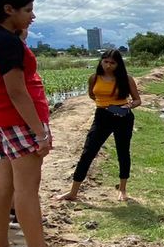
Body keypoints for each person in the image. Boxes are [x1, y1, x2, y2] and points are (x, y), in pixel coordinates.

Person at [0, 0, 75, 247]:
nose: (33, 16)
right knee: (27, 190)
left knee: (2, 186)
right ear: (9, 10)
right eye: (28, 10)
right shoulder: (6, 41)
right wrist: (39, 132)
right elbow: (17, 91)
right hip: (18, 121)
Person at [58, 49, 141, 202]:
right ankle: (73, 192)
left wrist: (127, 106)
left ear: (118, 64)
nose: (108, 65)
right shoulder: (94, 78)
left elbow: (137, 100)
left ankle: (122, 190)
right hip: (102, 116)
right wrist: (104, 104)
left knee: (123, 152)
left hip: (123, 117)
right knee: (88, 152)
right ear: (101, 61)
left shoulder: (126, 79)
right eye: (106, 61)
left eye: (112, 63)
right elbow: (92, 94)